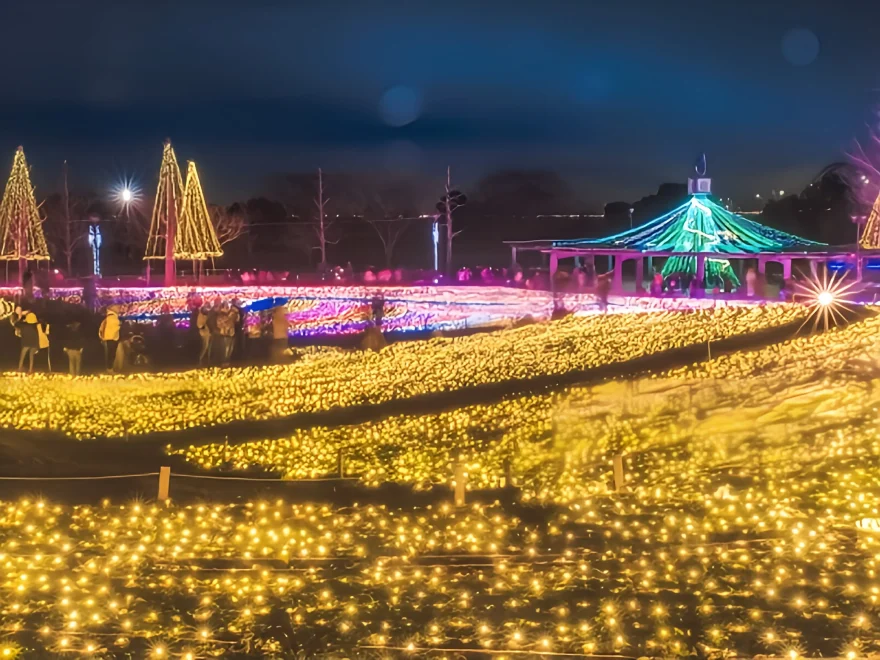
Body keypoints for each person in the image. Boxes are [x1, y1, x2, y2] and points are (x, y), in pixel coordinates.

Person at [98, 307, 120, 372]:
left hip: (107, 339)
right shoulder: (113, 318)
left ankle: (109, 368)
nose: (118, 309)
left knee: (109, 355)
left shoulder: (106, 319)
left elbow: (101, 329)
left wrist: (102, 337)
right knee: (111, 355)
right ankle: (110, 369)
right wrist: (115, 337)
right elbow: (116, 329)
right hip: (112, 339)